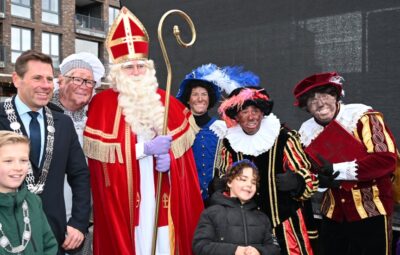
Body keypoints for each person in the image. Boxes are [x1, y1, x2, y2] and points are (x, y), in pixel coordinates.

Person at [82, 7, 203, 255]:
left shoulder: (168, 102)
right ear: (117, 72)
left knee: (163, 242)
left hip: (163, 190)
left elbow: (186, 164)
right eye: (128, 67)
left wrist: (171, 161)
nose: (136, 72)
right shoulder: (102, 104)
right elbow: (100, 165)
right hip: (126, 197)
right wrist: (143, 149)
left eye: (140, 66)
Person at [293, 71, 398, 255]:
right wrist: (320, 182)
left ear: (335, 96)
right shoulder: (305, 131)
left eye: (325, 95)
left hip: (371, 210)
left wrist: (337, 170)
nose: (320, 103)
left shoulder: (363, 116)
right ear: (306, 107)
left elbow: (386, 160)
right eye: (312, 100)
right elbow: (306, 170)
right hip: (333, 216)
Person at [0, 50, 91, 255]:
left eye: (50, 79)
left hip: (55, 233)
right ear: (16, 79)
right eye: (37, 78)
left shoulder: (63, 123)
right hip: (6, 231)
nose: (46, 85)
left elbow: (80, 175)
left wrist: (78, 222)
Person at [214, 84, 318, 255]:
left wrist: (298, 181)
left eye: (255, 110)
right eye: (244, 111)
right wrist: (221, 186)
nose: (251, 116)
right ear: (237, 117)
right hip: (245, 224)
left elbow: (308, 175)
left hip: (284, 221)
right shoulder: (230, 144)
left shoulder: (284, 138)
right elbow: (225, 177)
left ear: (262, 113)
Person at [52, 52, 105, 255]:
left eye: (90, 82)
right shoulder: (43, 113)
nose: (84, 85)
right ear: (61, 80)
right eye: (78, 79)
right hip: (48, 213)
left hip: (84, 215)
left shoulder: (95, 118)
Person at [193, 159, 281, 255]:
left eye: (253, 182)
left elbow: (274, 248)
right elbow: (200, 246)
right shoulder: (211, 213)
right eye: (243, 179)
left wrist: (259, 252)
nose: (249, 185)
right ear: (229, 182)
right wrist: (234, 250)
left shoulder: (262, 217)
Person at [176, 63, 233, 203]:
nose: (200, 98)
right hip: (187, 198)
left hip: (217, 200)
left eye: (204, 94)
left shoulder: (223, 129)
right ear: (188, 100)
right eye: (195, 94)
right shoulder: (179, 129)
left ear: (209, 99)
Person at [0, 130, 58, 255]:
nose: (18, 167)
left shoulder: (33, 201)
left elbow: (49, 245)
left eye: (23, 160)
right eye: (8, 161)